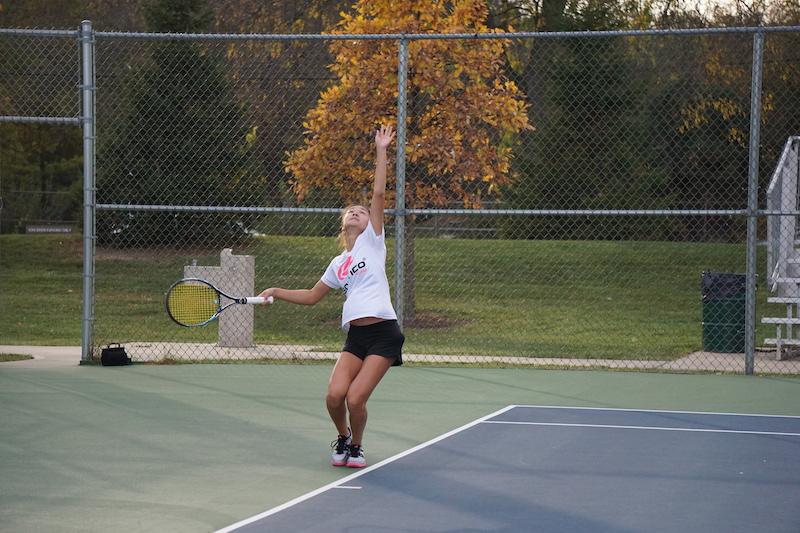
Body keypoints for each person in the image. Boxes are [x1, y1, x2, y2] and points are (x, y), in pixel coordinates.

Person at [258, 124, 404, 468]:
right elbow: (311, 296)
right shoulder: (339, 264)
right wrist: (276, 291)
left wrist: (382, 149)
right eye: (351, 211)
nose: (357, 212)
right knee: (335, 395)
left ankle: (357, 446)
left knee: (356, 398)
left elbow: (380, 195)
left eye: (362, 211)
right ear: (344, 224)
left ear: (370, 223)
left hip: (384, 333)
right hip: (356, 336)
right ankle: (342, 437)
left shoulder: (374, 242)